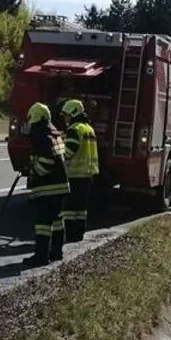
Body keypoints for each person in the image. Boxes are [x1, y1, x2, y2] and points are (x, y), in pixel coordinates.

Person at [23, 102, 71, 267]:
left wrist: (32, 170)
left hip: (47, 188)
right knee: (57, 221)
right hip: (60, 186)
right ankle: (56, 252)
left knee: (42, 223)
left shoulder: (41, 135)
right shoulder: (55, 134)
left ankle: (41, 256)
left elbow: (45, 163)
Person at [60, 99, 99, 243]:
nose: (65, 118)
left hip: (74, 174)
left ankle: (70, 235)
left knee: (70, 209)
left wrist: (58, 148)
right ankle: (79, 234)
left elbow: (68, 152)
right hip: (88, 174)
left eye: (66, 115)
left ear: (74, 113)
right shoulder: (89, 128)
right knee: (81, 208)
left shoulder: (74, 129)